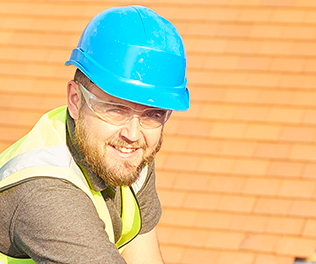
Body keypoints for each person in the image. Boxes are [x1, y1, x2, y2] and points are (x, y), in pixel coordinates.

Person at [0, 5, 189, 264]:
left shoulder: (128, 152)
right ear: (75, 100)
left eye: (152, 114)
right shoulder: (45, 193)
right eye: (115, 109)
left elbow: (142, 255)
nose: (133, 134)